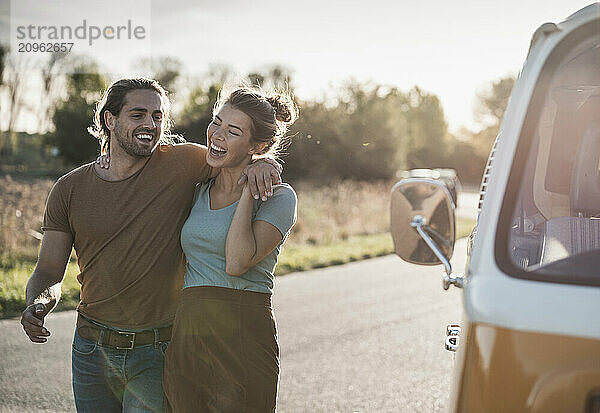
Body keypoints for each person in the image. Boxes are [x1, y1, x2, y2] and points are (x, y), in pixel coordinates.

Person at [19, 77, 282, 413]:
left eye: (158, 116)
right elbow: (47, 270)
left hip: (156, 351)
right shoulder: (68, 189)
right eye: (138, 114)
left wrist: (263, 163)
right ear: (110, 120)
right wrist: (38, 303)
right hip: (90, 350)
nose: (150, 124)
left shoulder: (184, 162)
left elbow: (232, 155)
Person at [162, 87, 298, 412]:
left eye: (233, 131)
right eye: (217, 123)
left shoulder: (279, 198)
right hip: (188, 333)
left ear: (259, 146)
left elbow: (237, 262)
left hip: (243, 332)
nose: (217, 135)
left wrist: (249, 189)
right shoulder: (196, 191)